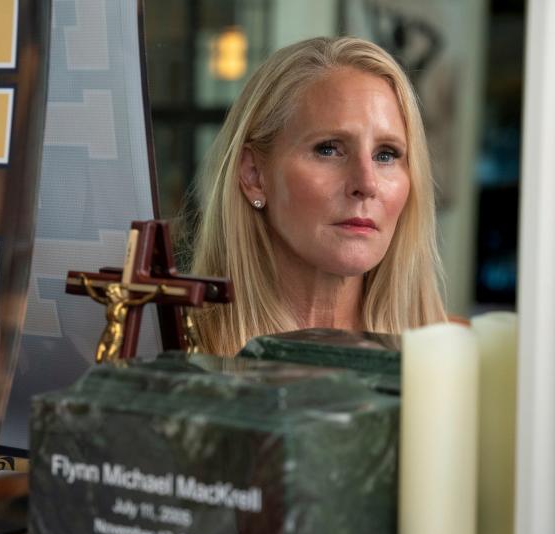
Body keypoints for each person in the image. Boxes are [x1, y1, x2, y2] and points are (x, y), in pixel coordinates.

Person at [189, 36, 447, 356]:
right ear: (253, 174)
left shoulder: (445, 361)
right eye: (329, 149)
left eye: (386, 154)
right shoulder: (179, 351)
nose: (366, 183)